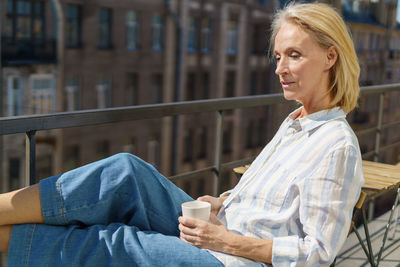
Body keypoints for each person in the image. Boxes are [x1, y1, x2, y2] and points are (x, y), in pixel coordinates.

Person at [0, 2, 363, 266]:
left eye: (294, 55)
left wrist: (230, 242)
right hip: (219, 231)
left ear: (330, 57)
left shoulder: (336, 145)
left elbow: (318, 253)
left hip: (235, 260)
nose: (280, 69)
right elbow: (268, 199)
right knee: (126, 172)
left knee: (117, 241)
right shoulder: (295, 122)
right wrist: (220, 202)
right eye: (278, 56)